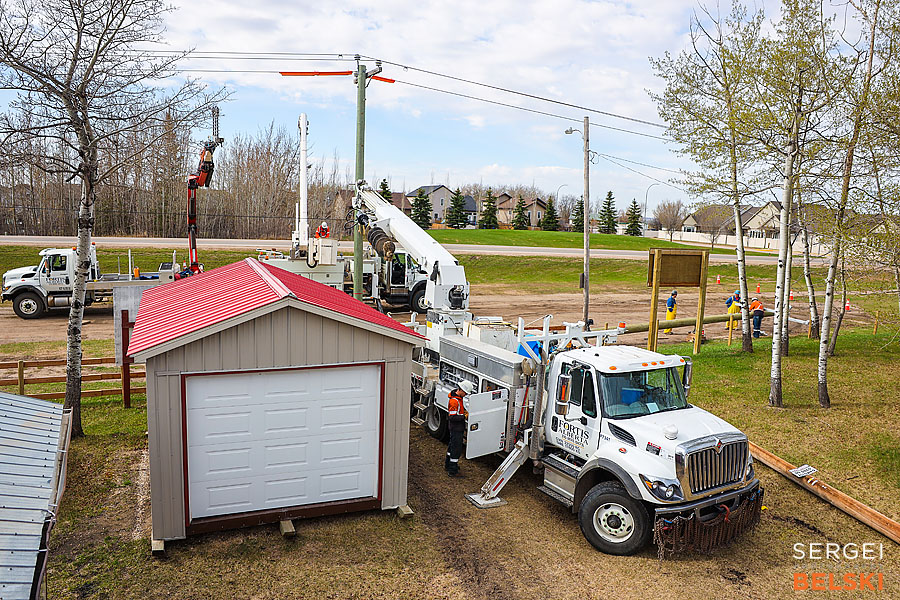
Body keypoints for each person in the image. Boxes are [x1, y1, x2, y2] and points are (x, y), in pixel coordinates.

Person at [446, 380, 475, 477]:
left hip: (456, 428)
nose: (466, 394)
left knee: (452, 447)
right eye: (466, 392)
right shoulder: (454, 401)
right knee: (456, 449)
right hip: (456, 428)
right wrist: (464, 416)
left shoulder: (458, 399)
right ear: (461, 390)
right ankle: (452, 470)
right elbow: (452, 417)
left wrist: (464, 412)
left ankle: (448, 465)